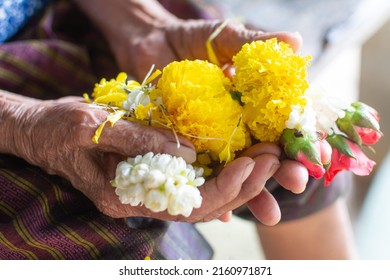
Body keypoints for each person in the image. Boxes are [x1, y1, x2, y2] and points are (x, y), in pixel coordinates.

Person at [0, 0, 356, 259]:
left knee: (290, 156)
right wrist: (22, 123)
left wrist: (143, 26)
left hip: (62, 14)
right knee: (118, 244)